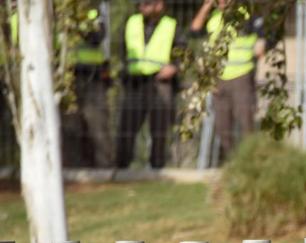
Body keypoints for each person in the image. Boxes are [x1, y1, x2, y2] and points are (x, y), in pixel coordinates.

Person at [189, 0, 267, 161]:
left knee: (246, 123)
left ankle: (251, 162)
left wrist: (262, 45)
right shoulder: (213, 17)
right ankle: (232, 163)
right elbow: (194, 29)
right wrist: (206, 6)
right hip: (219, 79)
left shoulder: (247, 14)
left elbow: (263, 37)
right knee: (222, 126)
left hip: (242, 75)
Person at [116, 0, 183, 169]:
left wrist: (174, 67)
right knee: (126, 128)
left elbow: (183, 52)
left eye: (147, 3)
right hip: (135, 82)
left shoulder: (171, 25)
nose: (142, 6)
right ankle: (122, 168)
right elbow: (122, 50)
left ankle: (157, 168)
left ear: (160, 5)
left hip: (160, 83)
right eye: (140, 3)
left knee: (159, 130)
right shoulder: (131, 22)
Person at [63, 5, 114, 168]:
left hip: (93, 77)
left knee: (97, 126)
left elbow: (97, 36)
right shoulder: (56, 10)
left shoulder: (93, 11)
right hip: (67, 77)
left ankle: (104, 171)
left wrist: (75, 24)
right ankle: (72, 171)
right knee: (69, 128)